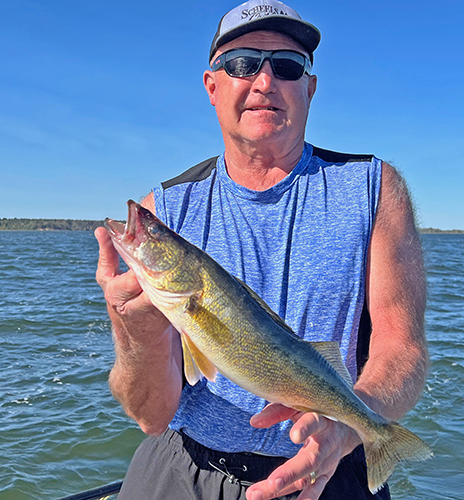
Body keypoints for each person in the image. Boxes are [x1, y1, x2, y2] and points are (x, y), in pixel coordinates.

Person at [94, 1, 428, 499]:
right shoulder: (162, 209)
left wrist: (350, 423)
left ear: (310, 89)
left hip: (330, 469)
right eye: (243, 64)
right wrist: (137, 331)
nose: (265, 82)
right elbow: (149, 416)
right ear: (212, 86)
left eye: (288, 67)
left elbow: (402, 348)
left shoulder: (374, 189)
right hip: (182, 466)